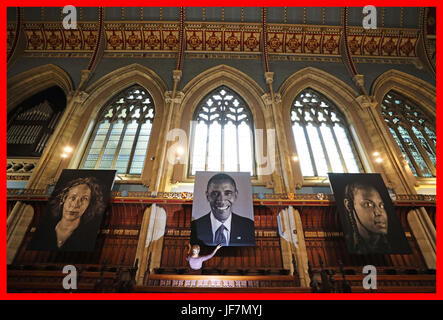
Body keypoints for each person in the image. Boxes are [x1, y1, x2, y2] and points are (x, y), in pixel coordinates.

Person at [28, 177, 105, 251]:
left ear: (89, 204)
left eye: (84, 199)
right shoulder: (43, 231)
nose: (75, 204)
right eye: (73, 197)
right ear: (64, 199)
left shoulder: (88, 237)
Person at [191, 173, 255, 246]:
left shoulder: (248, 227)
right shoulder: (195, 227)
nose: (221, 200)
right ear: (207, 196)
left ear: (235, 195)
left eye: (228, 193)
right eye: (215, 194)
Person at [343, 182, 391, 254]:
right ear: (349, 205)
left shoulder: (393, 244)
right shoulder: (349, 243)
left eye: (381, 205)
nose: (379, 213)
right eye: (368, 204)